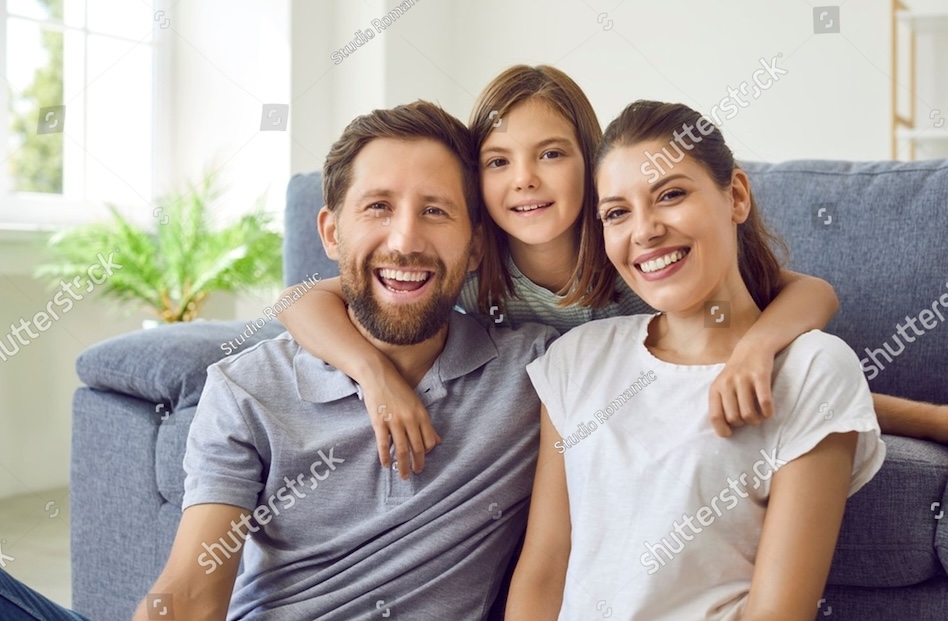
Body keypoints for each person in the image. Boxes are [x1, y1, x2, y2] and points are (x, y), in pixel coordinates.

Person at [0, 101, 555, 620]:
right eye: (378, 207)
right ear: (332, 234)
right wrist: (373, 372)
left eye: (435, 210)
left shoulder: (535, 371)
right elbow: (191, 588)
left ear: (477, 245)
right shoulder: (247, 388)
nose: (405, 239)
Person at [278, 65, 858, 481]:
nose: (525, 179)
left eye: (551, 154)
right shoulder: (473, 268)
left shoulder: (636, 263)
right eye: (498, 162)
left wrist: (755, 348)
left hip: (655, 397)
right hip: (552, 424)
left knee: (774, 382)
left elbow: (812, 292)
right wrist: (375, 376)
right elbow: (299, 301)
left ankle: (926, 414)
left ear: (592, 165)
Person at [504, 100, 887, 620]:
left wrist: (755, 348)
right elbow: (546, 567)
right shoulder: (577, 359)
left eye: (671, 195)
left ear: (736, 196)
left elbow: (778, 614)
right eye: (617, 212)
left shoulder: (814, 370)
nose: (644, 231)